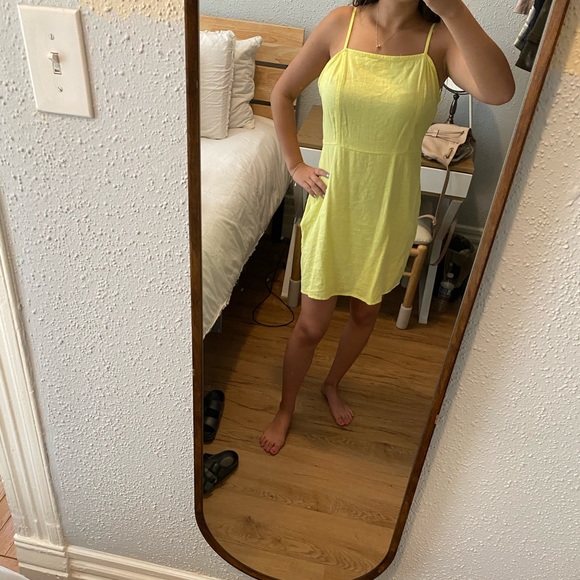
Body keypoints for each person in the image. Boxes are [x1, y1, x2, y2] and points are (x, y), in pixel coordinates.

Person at [260, 0, 514, 455]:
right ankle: (285, 407)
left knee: (365, 313)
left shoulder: (440, 39)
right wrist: (295, 164)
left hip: (390, 208)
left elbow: (499, 92)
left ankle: (332, 383)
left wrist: (455, 11)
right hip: (334, 202)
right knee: (311, 325)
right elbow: (282, 93)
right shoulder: (341, 22)